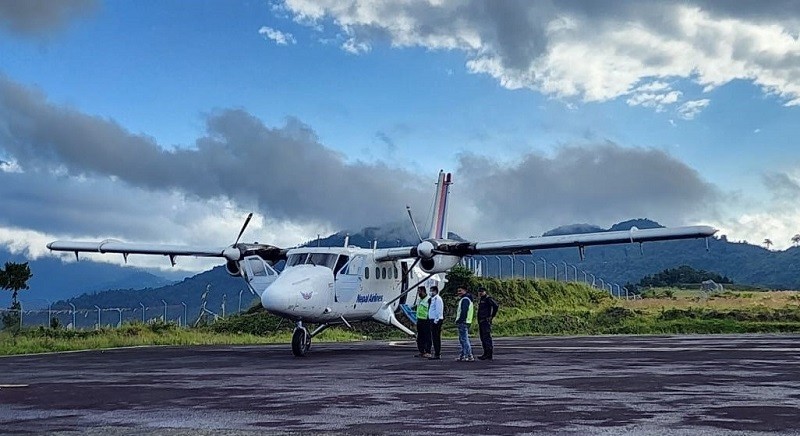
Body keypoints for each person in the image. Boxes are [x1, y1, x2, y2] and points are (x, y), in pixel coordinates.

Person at [476, 286, 499, 360]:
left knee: (486, 338)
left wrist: (492, 316)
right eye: (479, 292)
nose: (480, 293)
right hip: (481, 321)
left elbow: (496, 305)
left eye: (482, 291)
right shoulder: (481, 299)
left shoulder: (488, 299)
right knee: (482, 338)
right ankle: (485, 353)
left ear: (485, 292)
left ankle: (489, 354)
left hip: (485, 321)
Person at [454, 287, 475, 362]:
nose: (459, 292)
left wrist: (460, 320)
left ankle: (468, 355)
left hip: (463, 322)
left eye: (460, 291)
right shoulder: (468, 299)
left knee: (464, 339)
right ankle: (463, 355)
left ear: (465, 291)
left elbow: (464, 311)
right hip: (467, 321)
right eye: (458, 291)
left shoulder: (465, 300)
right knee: (462, 339)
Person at [427, 286, 444, 360]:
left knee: (436, 337)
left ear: (435, 291)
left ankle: (437, 353)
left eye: (432, 291)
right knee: (434, 337)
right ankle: (436, 353)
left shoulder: (438, 299)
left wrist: (436, 320)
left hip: (436, 320)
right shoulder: (432, 299)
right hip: (432, 319)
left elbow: (439, 310)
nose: (431, 292)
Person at [414, 286, 431, 357]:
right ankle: (421, 351)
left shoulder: (429, 299)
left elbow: (430, 309)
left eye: (419, 291)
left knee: (427, 336)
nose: (418, 293)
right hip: (419, 320)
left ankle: (428, 351)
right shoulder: (420, 299)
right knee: (420, 337)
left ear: (423, 291)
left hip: (426, 320)